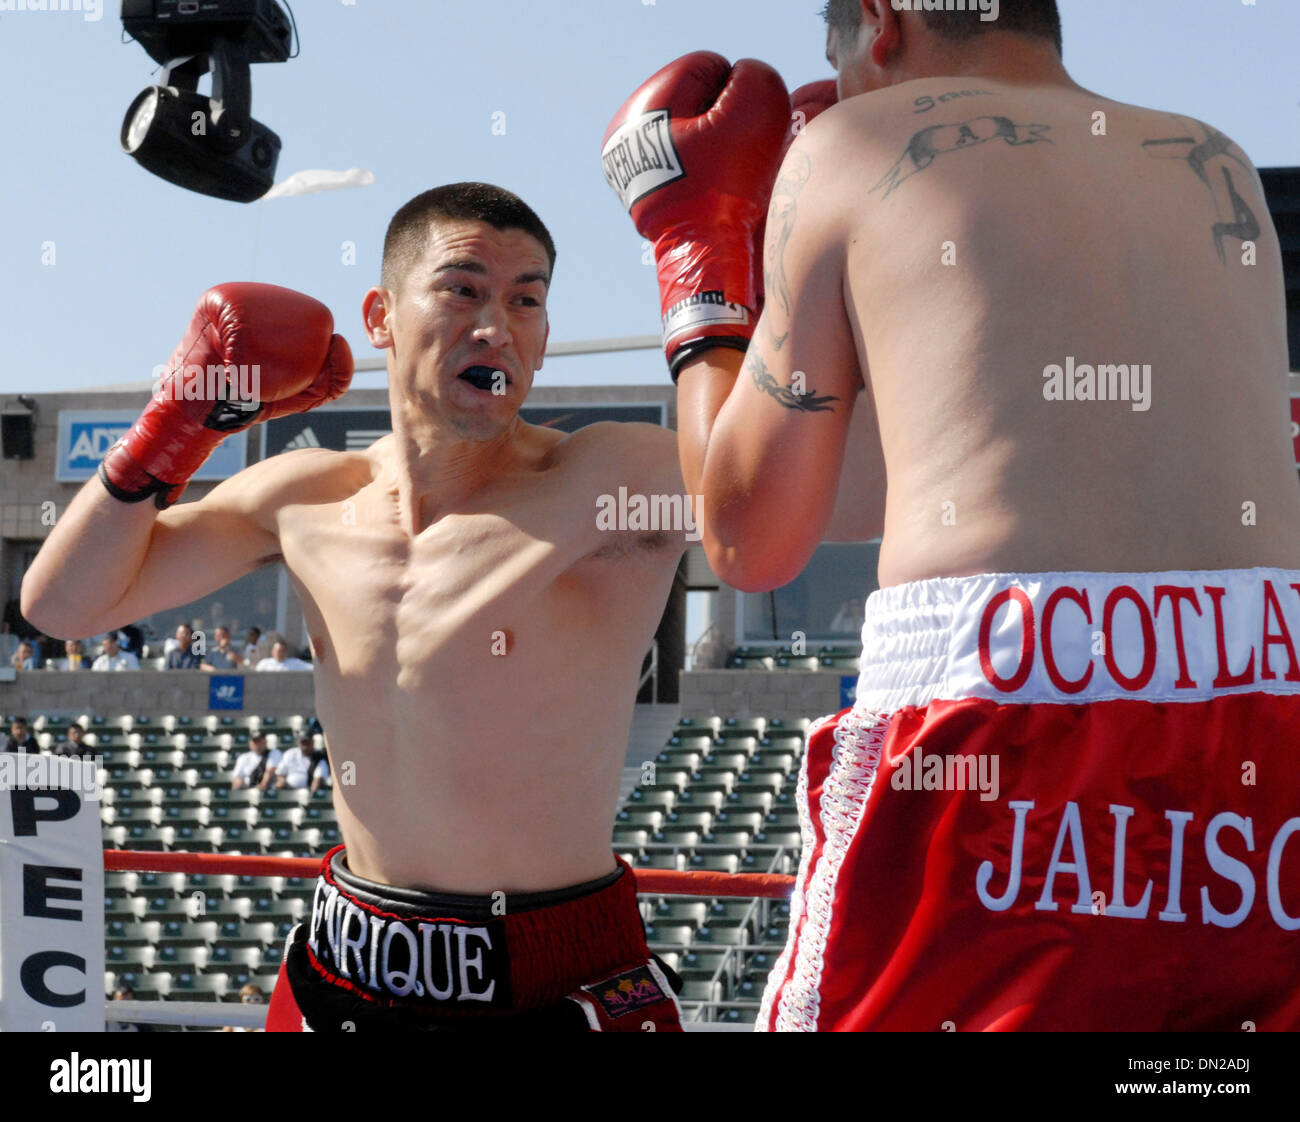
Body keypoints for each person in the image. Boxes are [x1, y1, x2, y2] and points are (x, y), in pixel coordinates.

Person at [606, 2, 1300, 1031]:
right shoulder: (1216, 158)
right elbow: (926, 478)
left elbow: (749, 536)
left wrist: (699, 269)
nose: (833, 86)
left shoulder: (855, 142)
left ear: (877, 21)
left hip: (1000, 699)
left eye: (832, 52)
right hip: (1261, 689)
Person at [21, 183, 689, 1031]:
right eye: (463, 288)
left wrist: (717, 286)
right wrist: (176, 424)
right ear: (380, 316)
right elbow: (64, 604)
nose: (498, 326)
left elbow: (806, 496)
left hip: (549, 971)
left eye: (528, 300)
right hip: (346, 960)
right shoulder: (310, 496)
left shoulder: (608, 481)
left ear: (547, 334)